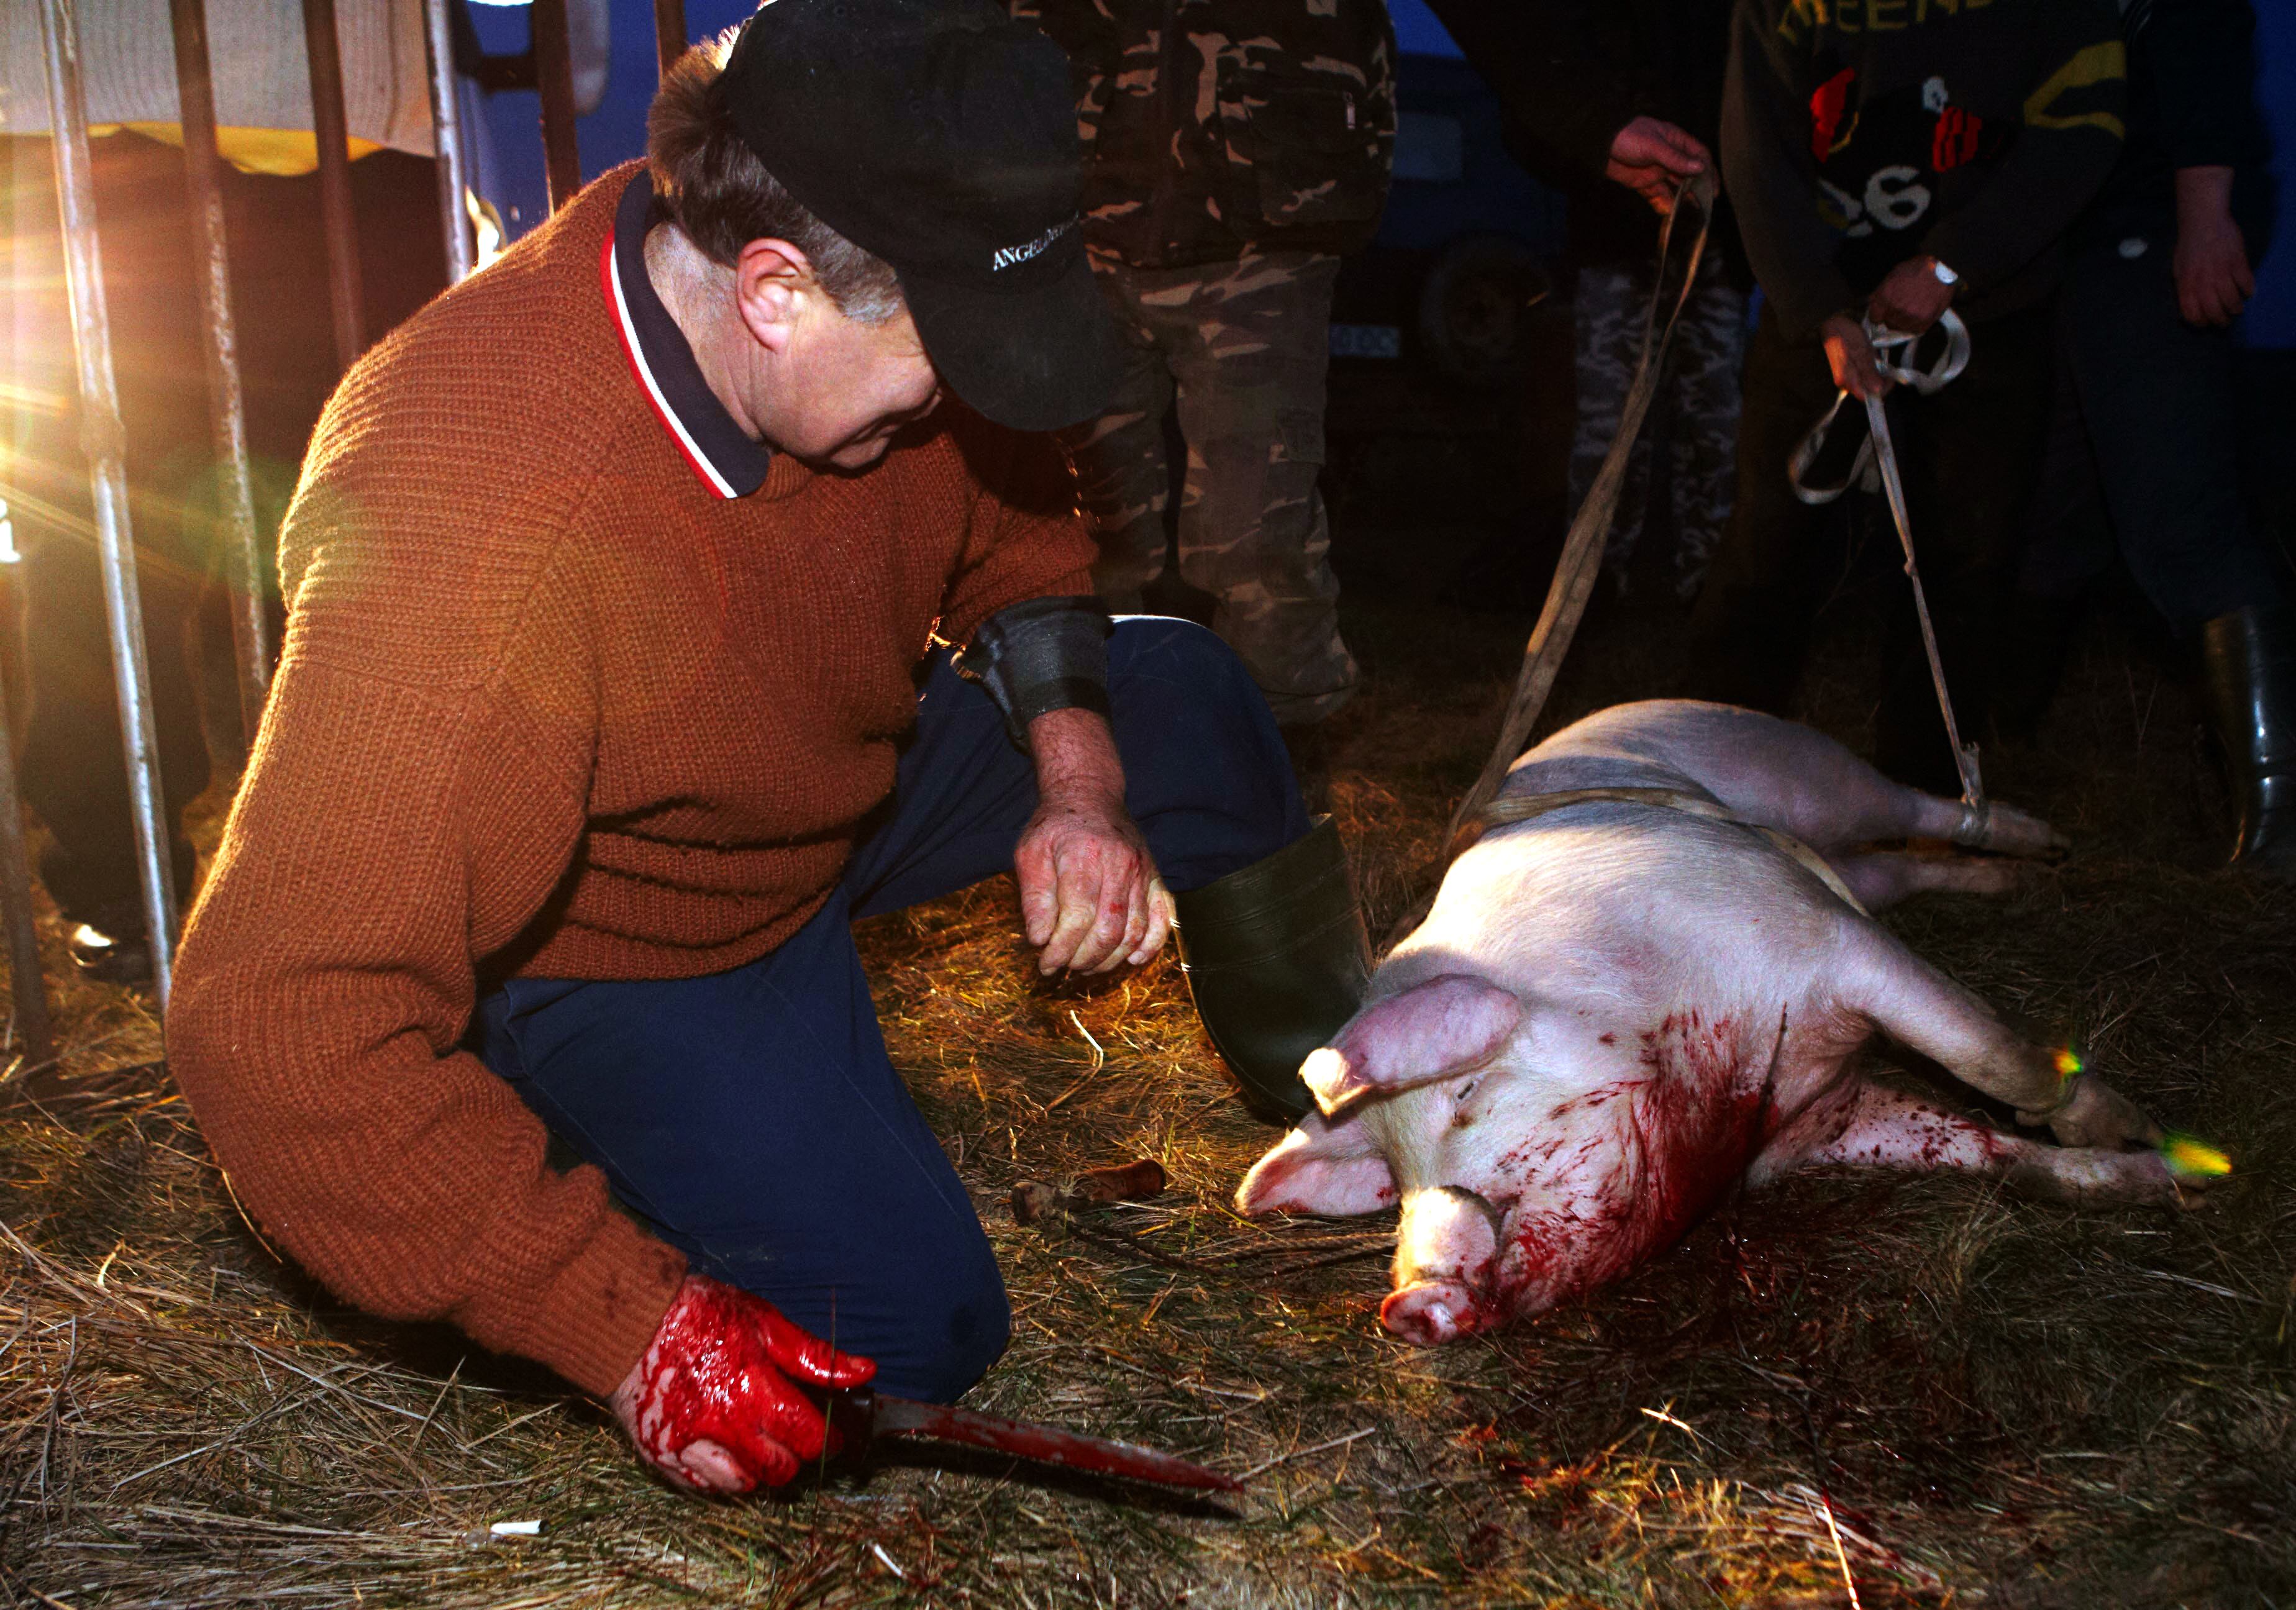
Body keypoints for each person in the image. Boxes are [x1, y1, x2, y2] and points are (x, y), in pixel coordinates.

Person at [167, 0, 1369, 1499]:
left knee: (1178, 691)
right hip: (627, 933)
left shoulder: (862, 318)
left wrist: (1074, 782)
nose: (963, 401)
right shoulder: (474, 510)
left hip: (822, 781)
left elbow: (1018, 530)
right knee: (911, 1334)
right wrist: (624, 1327)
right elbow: (275, 1025)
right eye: (948, 358)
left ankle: (1352, 1101)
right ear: (775, 291)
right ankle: (533, 1108)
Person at [2, 135, 449, 982]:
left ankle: (380, 864)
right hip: (121, 166)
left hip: (351, 152)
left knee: (378, 522)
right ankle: (124, 882)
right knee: (94, 530)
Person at [1685, 0, 2128, 795]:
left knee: (1962, 562)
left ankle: (1925, 802)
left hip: (1989, 311)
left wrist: (1955, 264)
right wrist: (1816, 303)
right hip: (1820, 309)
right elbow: (1757, 142)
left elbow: (2084, 126)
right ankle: (1704, 788)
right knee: (1767, 547)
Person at [1009, 0, 1396, 798]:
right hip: (1082, 221)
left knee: (1254, 536)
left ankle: (1277, 773)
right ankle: (1093, 762)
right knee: (1087, 532)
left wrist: (1594, 121)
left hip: (1263, 231)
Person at [2005, 0, 2296, 881]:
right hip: (2065, 232)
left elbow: (2201, 29)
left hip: (2148, 214)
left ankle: (2289, 820)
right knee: (2054, 503)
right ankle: (1992, 756)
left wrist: (2205, 213)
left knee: (2176, 509)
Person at [1423, 0, 1749, 603]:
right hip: (1615, 235)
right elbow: (1534, 91)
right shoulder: (1589, 34)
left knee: (1714, 419)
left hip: (1722, 236)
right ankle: (1593, 588)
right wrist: (1594, 146)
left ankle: (1707, 587)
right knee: (1609, 426)